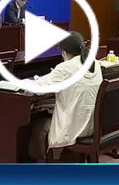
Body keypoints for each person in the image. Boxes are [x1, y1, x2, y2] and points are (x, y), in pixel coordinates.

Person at [29, 32, 102, 162]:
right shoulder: (95, 64)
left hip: (74, 128)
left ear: (64, 52)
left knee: (39, 124)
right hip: (94, 124)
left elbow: (39, 89)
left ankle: (40, 163)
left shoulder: (64, 68)